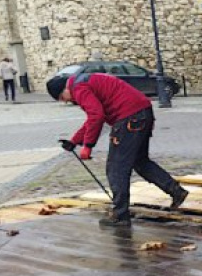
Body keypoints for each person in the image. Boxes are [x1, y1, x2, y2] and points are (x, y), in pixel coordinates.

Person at [47, 73, 188, 228]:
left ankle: (120, 215)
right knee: (140, 162)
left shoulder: (78, 88)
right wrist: (75, 141)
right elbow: (93, 118)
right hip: (142, 113)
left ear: (65, 89)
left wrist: (88, 145)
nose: (66, 100)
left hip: (129, 118)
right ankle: (176, 192)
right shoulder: (85, 81)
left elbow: (96, 115)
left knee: (116, 168)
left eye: (62, 97)